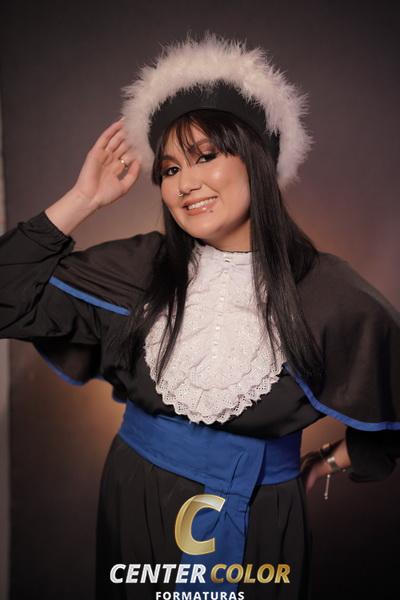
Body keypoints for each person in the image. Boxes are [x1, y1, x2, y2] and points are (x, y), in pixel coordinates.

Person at [1, 32, 399, 600]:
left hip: (257, 516)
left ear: (257, 159)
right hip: (135, 499)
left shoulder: (330, 291)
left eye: (206, 157)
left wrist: (330, 461)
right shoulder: (139, 267)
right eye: (168, 170)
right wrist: (83, 199)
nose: (185, 183)